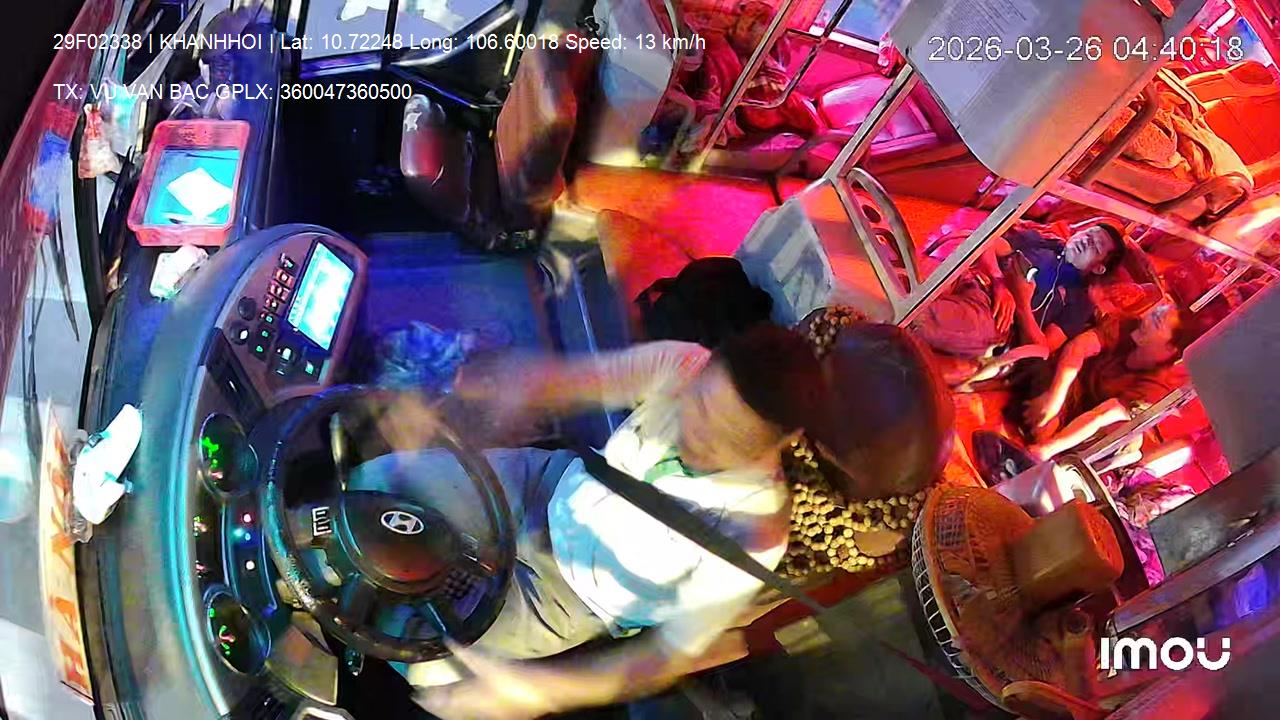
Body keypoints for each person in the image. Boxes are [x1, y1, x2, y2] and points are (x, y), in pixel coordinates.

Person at [356, 326, 826, 720]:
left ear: (783, 441)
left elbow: (663, 659)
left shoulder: (755, 535)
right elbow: (567, 381)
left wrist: (539, 693)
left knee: (415, 652)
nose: (698, 437)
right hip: (545, 484)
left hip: (567, 597)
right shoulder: (685, 365)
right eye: (701, 405)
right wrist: (446, 393)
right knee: (375, 483)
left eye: (732, 438)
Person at [913, 223, 1127, 386]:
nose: (1086, 240)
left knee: (918, 316)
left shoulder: (1080, 301)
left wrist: (1022, 303)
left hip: (994, 316)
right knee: (908, 281)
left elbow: (1042, 349)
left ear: (1099, 268)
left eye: (1096, 245)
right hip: (974, 275)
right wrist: (999, 281)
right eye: (1088, 233)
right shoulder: (1044, 242)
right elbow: (987, 243)